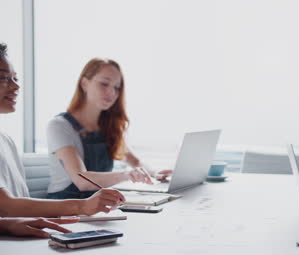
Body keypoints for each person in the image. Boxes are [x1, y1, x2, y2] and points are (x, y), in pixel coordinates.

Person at [0, 43, 125, 237]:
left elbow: (8, 209)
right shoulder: (60, 125)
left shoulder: (6, 139)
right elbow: (6, 206)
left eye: (16, 78)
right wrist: (83, 205)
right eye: (3, 78)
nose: (16, 86)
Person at [47, 58, 171, 199]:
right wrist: (126, 175)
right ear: (84, 83)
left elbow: (136, 162)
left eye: (117, 88)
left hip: (98, 204)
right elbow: (82, 181)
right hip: (65, 206)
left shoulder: (109, 128)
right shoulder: (59, 126)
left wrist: (155, 173)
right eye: (104, 84)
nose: (112, 93)